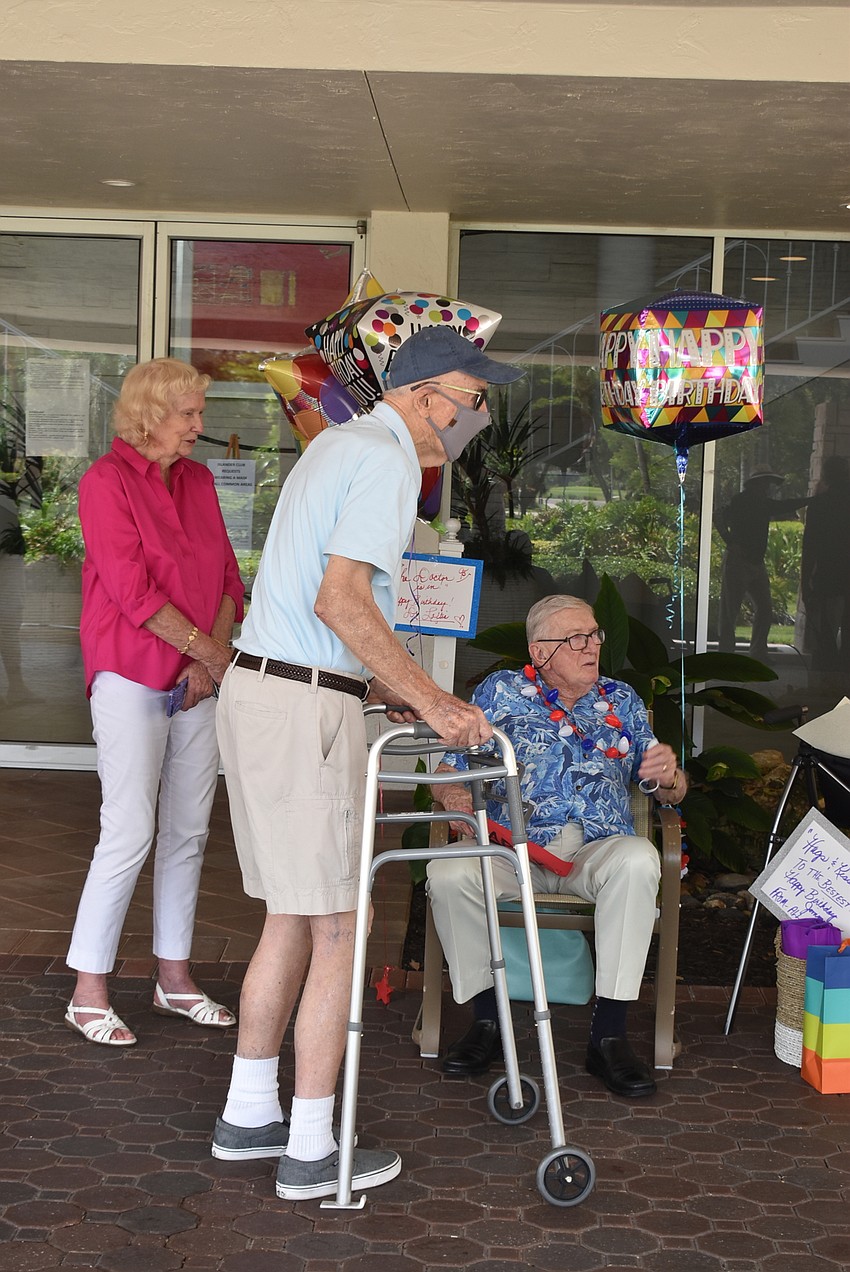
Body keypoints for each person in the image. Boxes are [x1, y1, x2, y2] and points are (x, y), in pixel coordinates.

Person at [211, 326, 523, 1202]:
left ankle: (249, 1114)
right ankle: (312, 1149)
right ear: (427, 396)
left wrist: (383, 690)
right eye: (475, 395)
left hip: (272, 690)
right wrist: (434, 700)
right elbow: (341, 600)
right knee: (343, 925)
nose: (479, 413)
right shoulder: (386, 463)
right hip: (304, 705)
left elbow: (322, 611)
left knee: (291, 915)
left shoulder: (335, 447)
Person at [426, 594, 685, 1098]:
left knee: (638, 859)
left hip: (594, 849)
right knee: (449, 872)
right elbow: (445, 772)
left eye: (594, 636)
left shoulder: (621, 700)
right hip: (509, 847)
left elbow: (668, 789)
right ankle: (486, 1023)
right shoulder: (500, 692)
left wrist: (669, 776)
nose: (591, 647)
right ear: (539, 651)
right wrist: (455, 796)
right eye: (576, 639)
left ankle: (608, 1036)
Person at [64, 358, 244, 1047]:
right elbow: (133, 593)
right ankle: (89, 990)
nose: (200, 426)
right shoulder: (105, 482)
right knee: (129, 828)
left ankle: (174, 978)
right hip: (134, 673)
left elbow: (229, 576)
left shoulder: (197, 479)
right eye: (189, 414)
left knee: (190, 831)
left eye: (200, 413)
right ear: (149, 415)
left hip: (198, 677)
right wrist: (210, 654)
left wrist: (211, 659)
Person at [716, 466, 809, 660]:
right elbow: (719, 517)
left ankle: (758, 652)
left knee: (765, 608)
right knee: (729, 612)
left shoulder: (763, 503)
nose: (768, 487)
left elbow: (785, 505)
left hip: (756, 563)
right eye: (765, 482)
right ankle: (726, 656)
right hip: (738, 561)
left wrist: (810, 501)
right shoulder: (740, 501)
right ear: (756, 483)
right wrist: (730, 542)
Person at [801, 454, 850, 681]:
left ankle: (826, 670)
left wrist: (805, 581)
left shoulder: (819, 504)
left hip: (827, 572)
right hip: (844, 571)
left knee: (825, 626)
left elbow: (810, 545)